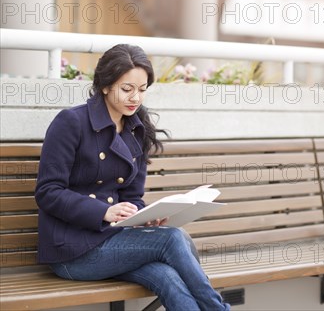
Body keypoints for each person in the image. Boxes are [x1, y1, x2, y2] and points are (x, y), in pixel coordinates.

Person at [35, 44, 230, 311]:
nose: (135, 98)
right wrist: (104, 211)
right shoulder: (71, 122)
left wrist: (145, 216)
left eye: (142, 90)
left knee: (168, 276)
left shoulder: (137, 128)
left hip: (115, 241)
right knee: (173, 238)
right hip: (72, 250)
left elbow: (131, 198)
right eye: (127, 89)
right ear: (105, 85)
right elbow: (48, 191)